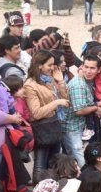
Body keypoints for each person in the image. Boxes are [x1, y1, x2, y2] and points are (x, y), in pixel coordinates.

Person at [24, 51, 70, 180]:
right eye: (49, 65)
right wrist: (56, 103)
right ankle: (39, 189)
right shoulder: (30, 85)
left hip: (54, 123)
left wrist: (60, 82)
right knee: (40, 163)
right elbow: (36, 113)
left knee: (53, 161)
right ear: (39, 65)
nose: (52, 68)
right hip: (42, 127)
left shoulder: (48, 80)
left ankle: (52, 187)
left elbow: (65, 99)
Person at [63, 54, 101, 167]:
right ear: (81, 67)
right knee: (81, 163)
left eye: (92, 68)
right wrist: (96, 108)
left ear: (99, 70)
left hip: (81, 128)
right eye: (86, 67)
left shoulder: (89, 81)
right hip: (73, 129)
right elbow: (79, 111)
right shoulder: (79, 85)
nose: (88, 71)